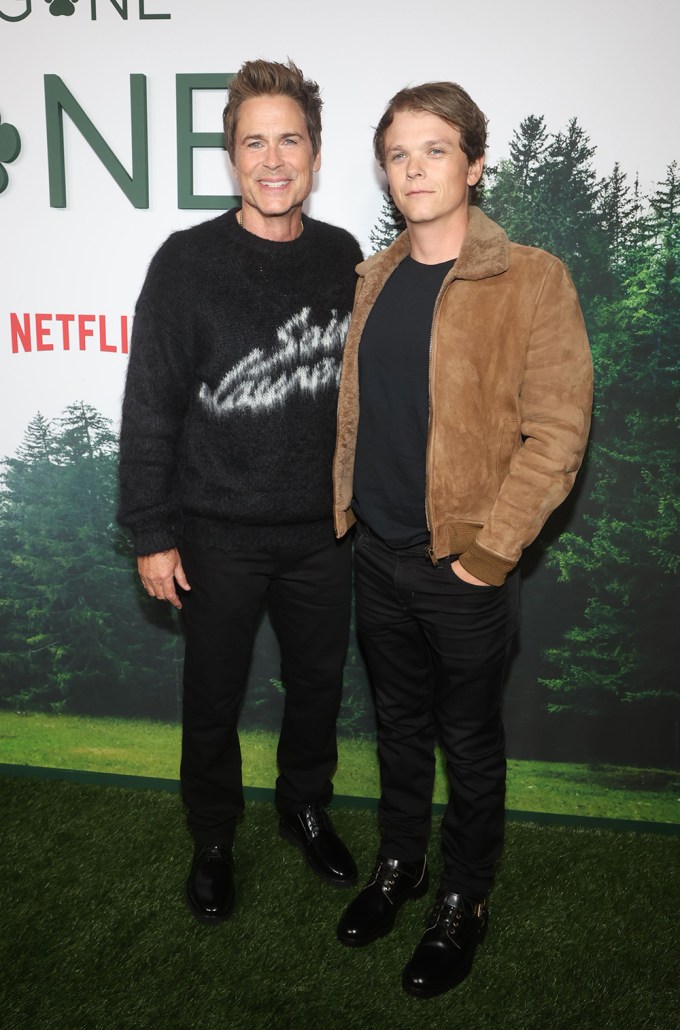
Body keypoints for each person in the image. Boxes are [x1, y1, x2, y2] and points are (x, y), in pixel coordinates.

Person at [333, 82, 592, 997]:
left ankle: (463, 901)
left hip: (463, 566)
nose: (414, 168)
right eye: (399, 154)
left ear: (475, 164)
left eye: (435, 150)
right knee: (399, 730)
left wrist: (492, 552)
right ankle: (400, 867)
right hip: (379, 554)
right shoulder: (373, 277)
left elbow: (558, 432)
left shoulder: (533, 278)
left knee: (469, 743)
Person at [118, 59, 362, 925]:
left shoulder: (342, 256)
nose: (272, 157)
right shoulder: (185, 263)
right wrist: (151, 532)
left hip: (322, 535)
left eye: (288, 138)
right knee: (212, 698)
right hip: (214, 533)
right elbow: (149, 405)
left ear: (315, 152)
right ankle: (213, 838)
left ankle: (304, 805)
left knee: (319, 686)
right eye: (253, 140)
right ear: (231, 158)